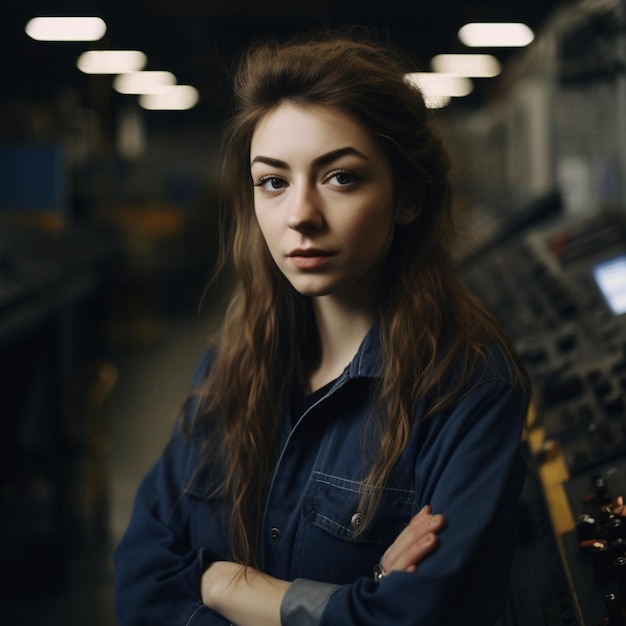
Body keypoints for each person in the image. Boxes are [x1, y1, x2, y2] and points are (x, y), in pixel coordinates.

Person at [114, 32, 531, 626]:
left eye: (341, 177)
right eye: (273, 181)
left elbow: (420, 616)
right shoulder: (231, 365)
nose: (300, 215)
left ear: (407, 197)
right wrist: (346, 601)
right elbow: (140, 578)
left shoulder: (466, 390)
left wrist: (223, 581)